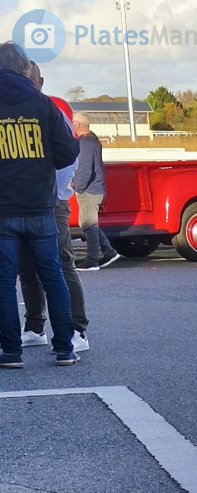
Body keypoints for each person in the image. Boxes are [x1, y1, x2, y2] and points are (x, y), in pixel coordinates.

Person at [0, 41, 78, 369]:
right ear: (25, 68)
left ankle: (12, 352)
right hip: (41, 208)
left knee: (5, 282)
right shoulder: (44, 104)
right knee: (53, 276)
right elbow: (70, 152)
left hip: (3, 210)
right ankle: (64, 348)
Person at [18, 61, 88, 354]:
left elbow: (69, 156)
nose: (23, 81)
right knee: (27, 268)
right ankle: (35, 326)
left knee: (61, 263)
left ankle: (77, 330)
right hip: (24, 202)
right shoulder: (15, 109)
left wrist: (56, 192)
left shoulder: (51, 110)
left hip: (53, 201)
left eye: (28, 77)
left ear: (40, 80)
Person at [71, 113, 120, 270]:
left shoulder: (84, 143)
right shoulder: (92, 140)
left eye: (72, 122)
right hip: (95, 188)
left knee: (89, 225)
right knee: (86, 223)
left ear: (78, 124)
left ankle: (92, 261)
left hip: (89, 190)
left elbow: (85, 169)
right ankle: (109, 252)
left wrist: (75, 186)